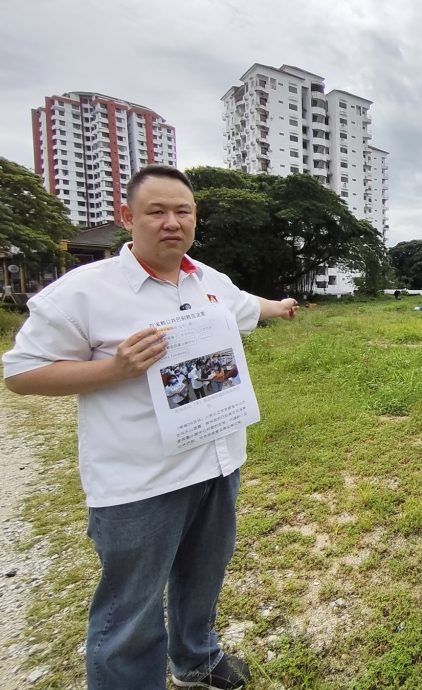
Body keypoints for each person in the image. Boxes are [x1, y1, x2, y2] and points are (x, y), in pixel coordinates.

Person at [2, 165, 299, 689]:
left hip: (216, 462)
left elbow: (247, 305)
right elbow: (22, 375)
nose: (171, 222)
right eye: (156, 211)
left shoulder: (207, 280)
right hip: (140, 480)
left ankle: (196, 659)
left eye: (182, 211)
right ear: (127, 217)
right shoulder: (84, 291)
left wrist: (282, 307)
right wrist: (114, 369)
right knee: (131, 607)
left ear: (194, 218)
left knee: (203, 578)